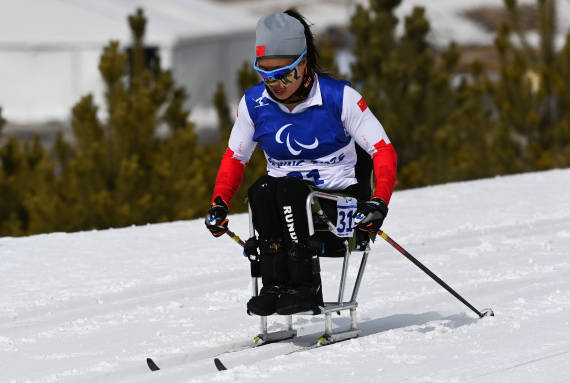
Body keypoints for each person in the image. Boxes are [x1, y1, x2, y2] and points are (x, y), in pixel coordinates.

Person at [205, 10, 397, 317]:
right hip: (284, 201)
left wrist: (379, 202)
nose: (274, 83)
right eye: (265, 74)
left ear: (303, 64)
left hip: (340, 205)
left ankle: (304, 287)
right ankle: (275, 286)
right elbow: (235, 157)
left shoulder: (339, 98)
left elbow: (383, 151)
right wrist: (219, 203)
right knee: (263, 190)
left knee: (292, 191)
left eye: (282, 73)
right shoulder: (254, 104)